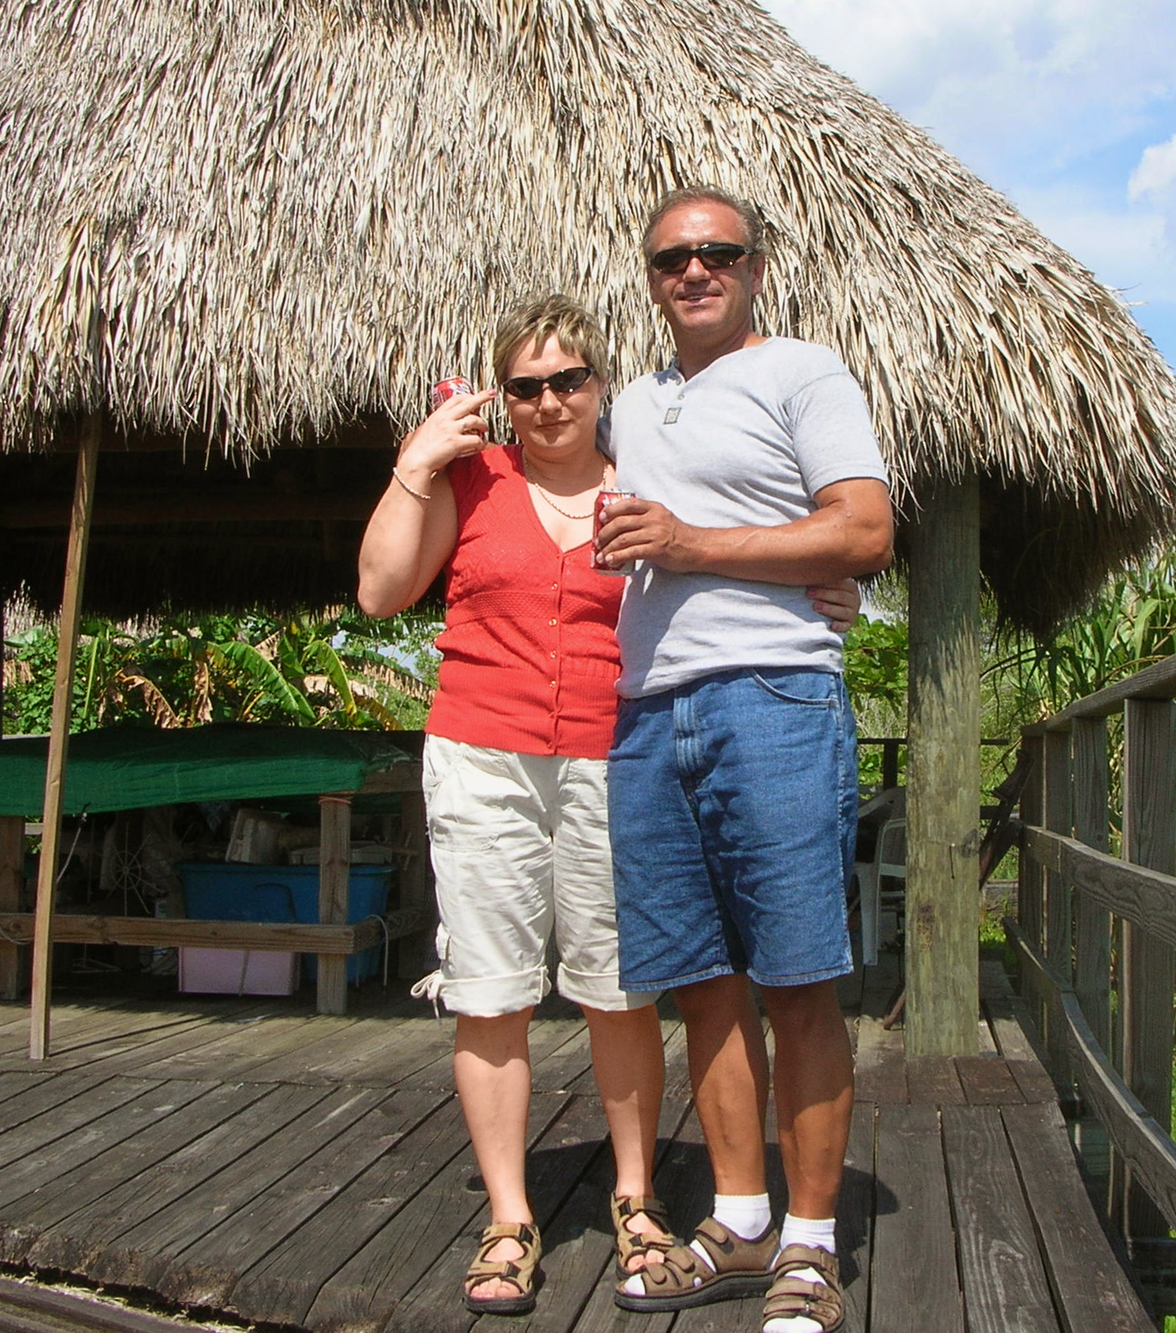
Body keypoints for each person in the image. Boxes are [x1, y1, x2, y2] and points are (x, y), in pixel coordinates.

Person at [355, 295, 859, 1316]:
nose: (549, 402)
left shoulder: (645, 478)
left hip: (611, 750)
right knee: (489, 988)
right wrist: (415, 460)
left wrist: (827, 585)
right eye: (527, 386)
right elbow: (378, 592)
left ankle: (634, 1198)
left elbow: (740, 543)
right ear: (504, 397)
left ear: (602, 386)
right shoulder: (472, 476)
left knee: (617, 983)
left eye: (570, 380)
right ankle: (510, 1216)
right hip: (480, 755)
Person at [600, 188, 894, 1333]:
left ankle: (813, 1244)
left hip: (770, 697)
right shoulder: (630, 400)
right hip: (647, 713)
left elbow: (863, 529)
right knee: (703, 977)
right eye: (674, 256)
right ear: (652, 274)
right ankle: (740, 1213)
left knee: (795, 972)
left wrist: (693, 545)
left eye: (718, 252)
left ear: (757, 265)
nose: (696, 270)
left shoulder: (804, 374)